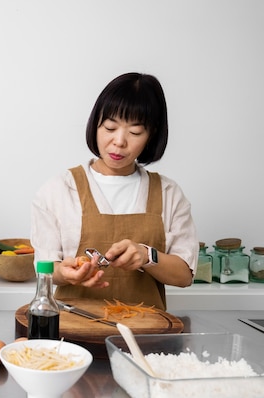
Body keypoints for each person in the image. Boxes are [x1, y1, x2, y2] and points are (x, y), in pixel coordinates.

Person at [30, 72, 198, 310]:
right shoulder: (58, 190)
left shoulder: (169, 194)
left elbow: (184, 276)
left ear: (151, 135)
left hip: (145, 337)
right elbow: (45, 268)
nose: (119, 141)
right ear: (95, 124)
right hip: (73, 336)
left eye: (135, 132)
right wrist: (66, 273)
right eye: (110, 127)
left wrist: (147, 256)